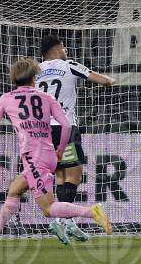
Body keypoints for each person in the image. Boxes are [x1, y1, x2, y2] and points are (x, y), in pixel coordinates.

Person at [0, 59, 112, 246]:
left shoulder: (6, 99)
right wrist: (61, 149)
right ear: (34, 78)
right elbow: (65, 125)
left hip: (33, 158)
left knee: (48, 209)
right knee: (14, 190)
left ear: (14, 78)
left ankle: (91, 212)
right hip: (48, 155)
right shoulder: (47, 98)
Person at [37, 35, 115, 245]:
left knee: (61, 176)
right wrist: (111, 81)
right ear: (55, 49)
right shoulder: (69, 65)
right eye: (63, 46)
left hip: (41, 131)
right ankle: (62, 221)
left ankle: (68, 221)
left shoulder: (35, 69)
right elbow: (102, 80)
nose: (66, 50)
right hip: (64, 129)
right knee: (74, 174)